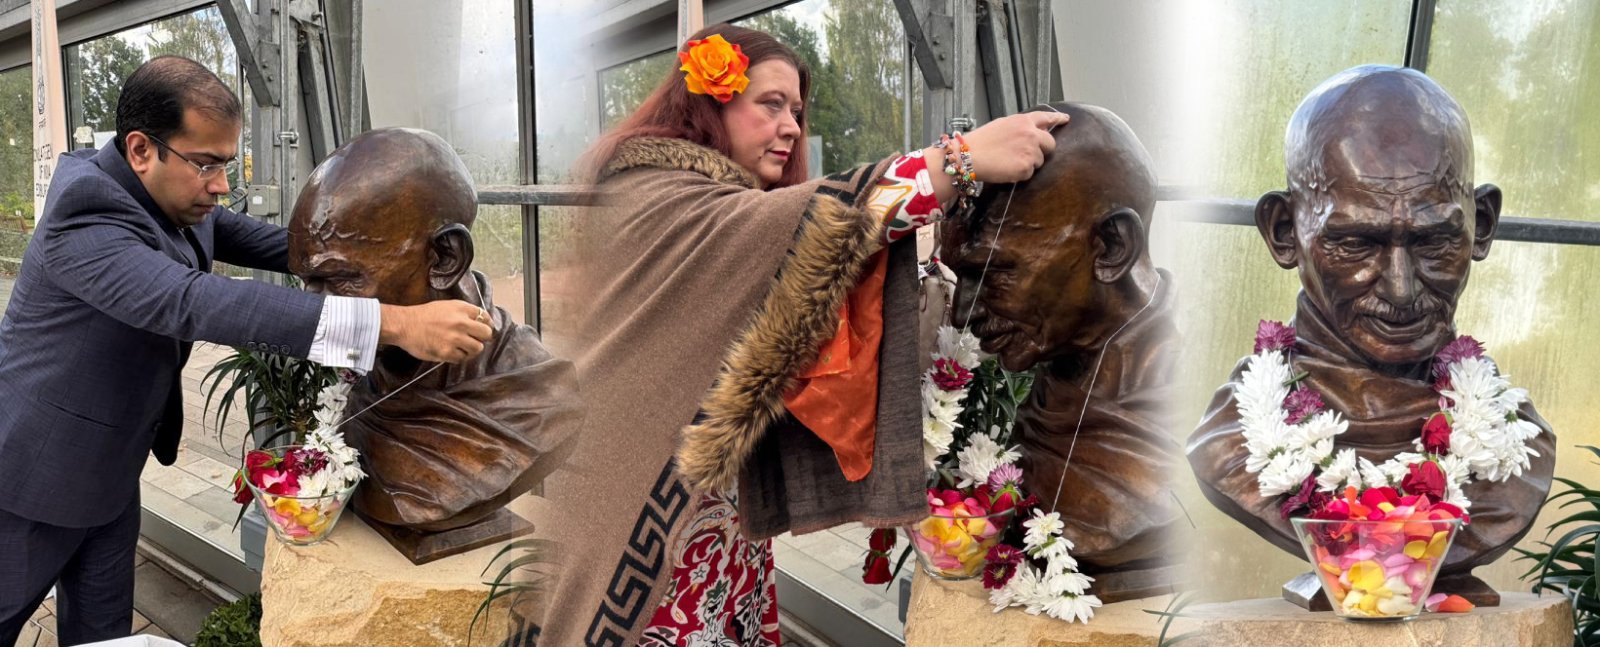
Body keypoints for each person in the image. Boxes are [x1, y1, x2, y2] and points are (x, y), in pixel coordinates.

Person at [539, 24, 1068, 646]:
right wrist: (957, 161)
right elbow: (805, 221)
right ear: (711, 99)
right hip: (656, 522)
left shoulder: (719, 200)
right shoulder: (653, 191)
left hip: (717, 521)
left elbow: (791, 247)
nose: (791, 126)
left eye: (796, 109)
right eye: (770, 104)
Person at [0, 56, 491, 644]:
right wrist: (395, 322)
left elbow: (281, 245)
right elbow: (196, 301)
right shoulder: (86, 215)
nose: (222, 186)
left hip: (110, 471)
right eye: (206, 164)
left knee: (104, 632)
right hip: (32, 475)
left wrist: (389, 255)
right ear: (140, 150)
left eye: (227, 164)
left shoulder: (180, 199)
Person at [1186, 65, 1554, 605]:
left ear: (1482, 224)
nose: (1401, 290)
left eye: (1433, 241)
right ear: (1285, 232)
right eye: (1355, 242)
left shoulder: (1518, 446)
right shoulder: (1230, 440)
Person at [287, 126, 582, 562]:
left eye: (341, 279)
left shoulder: (539, 398)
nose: (315, 312)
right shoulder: (363, 372)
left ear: (445, 258)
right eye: (306, 283)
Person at [942, 102, 1180, 602]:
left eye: (998, 272)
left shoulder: (1192, 410)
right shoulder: (1060, 363)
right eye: (961, 274)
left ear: (1112, 248)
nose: (963, 314)